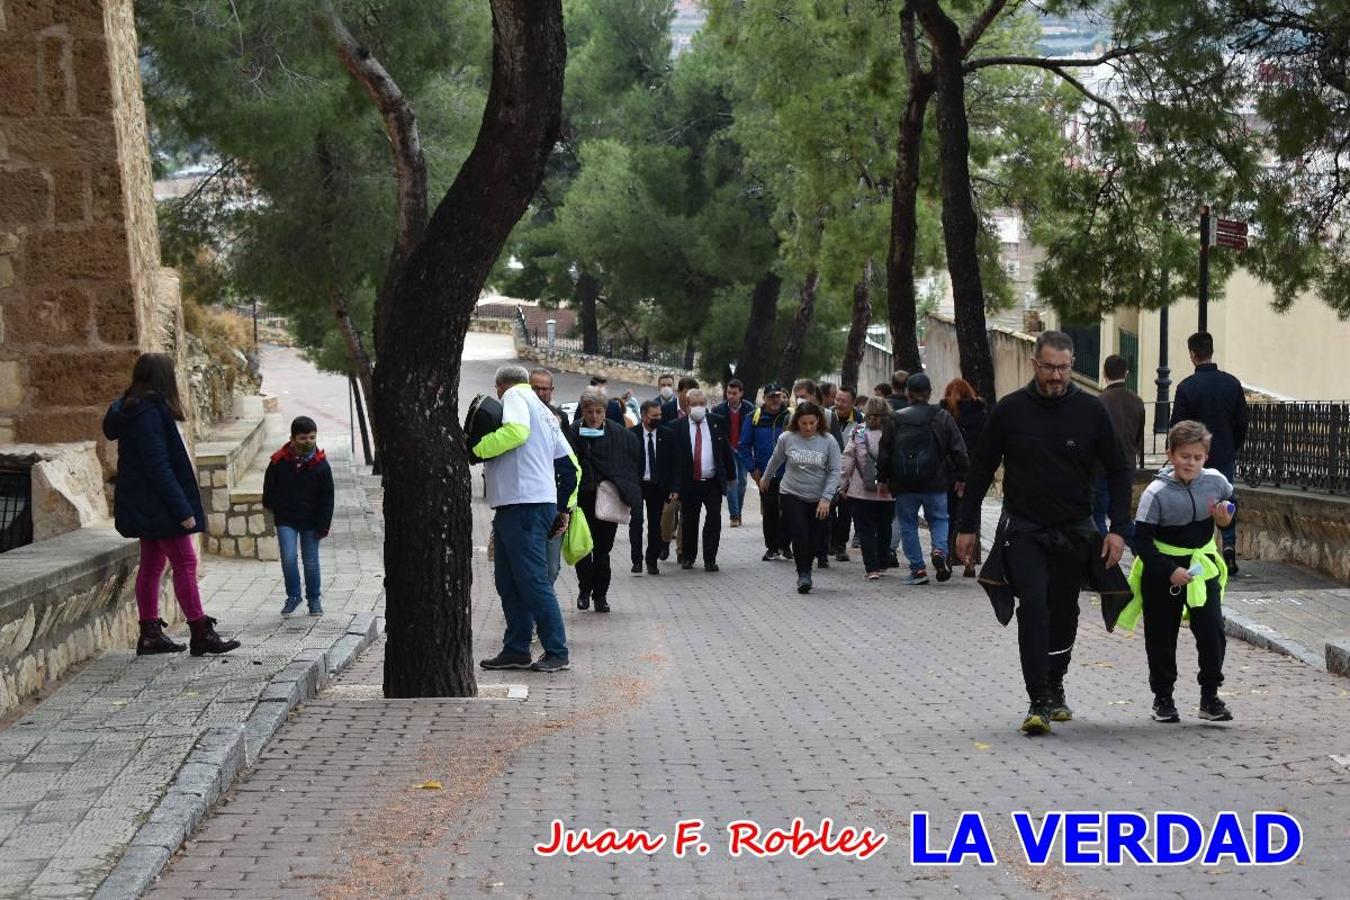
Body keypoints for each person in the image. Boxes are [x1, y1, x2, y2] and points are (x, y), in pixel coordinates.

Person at [955, 331, 1131, 736]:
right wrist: (966, 527)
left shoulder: (1091, 411)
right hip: (1025, 528)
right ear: (1035, 364)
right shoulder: (1010, 411)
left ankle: (1055, 683)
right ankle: (1038, 699)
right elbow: (980, 469)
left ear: (1072, 366)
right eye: (1049, 367)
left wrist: (1119, 530)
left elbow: (1119, 471)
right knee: (1033, 606)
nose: (1056, 376)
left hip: (1074, 529)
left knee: (1065, 610)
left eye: (1064, 368)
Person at [102, 353, 240, 657]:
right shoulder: (149, 413)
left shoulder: (132, 409)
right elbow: (158, 466)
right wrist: (183, 511)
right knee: (186, 563)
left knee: (152, 564)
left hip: (146, 503)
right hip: (160, 506)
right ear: (165, 377)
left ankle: (150, 634)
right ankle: (200, 632)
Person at [1125, 420, 1237, 724]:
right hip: (1163, 569)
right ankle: (1163, 698)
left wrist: (1225, 519)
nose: (1191, 463)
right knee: (1162, 636)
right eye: (1185, 456)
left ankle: (1210, 697)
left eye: (1197, 458)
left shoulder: (1215, 481)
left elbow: (1230, 507)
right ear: (1170, 454)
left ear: (1206, 457)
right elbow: (1141, 542)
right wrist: (1169, 570)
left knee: (1212, 630)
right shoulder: (1156, 493)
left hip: (1202, 565)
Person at [474, 364, 577, 672]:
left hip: (524, 505)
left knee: (532, 582)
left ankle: (557, 651)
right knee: (509, 582)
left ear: (499, 387)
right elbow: (568, 461)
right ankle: (516, 648)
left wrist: (477, 449)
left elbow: (516, 433)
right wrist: (561, 507)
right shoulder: (546, 413)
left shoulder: (517, 396)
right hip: (523, 505)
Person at [879, 374, 968, 586]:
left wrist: (882, 479)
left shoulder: (895, 419)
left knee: (907, 524)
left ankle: (918, 569)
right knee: (939, 519)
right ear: (929, 393)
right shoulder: (942, 416)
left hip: (904, 483)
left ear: (908, 393)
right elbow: (958, 449)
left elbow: (885, 452)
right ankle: (939, 549)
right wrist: (962, 476)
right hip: (935, 480)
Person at [1170, 332, 1248, 573]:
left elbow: (1178, 426)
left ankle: (1200, 549)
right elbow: (1242, 421)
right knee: (1226, 498)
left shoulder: (1186, 387)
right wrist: (1232, 445)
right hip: (1223, 451)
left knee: (1195, 500)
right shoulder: (1232, 384)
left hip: (1195, 455)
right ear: (1211, 351)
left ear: (1193, 355)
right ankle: (1229, 545)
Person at [572, 390, 642, 612]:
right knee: (583, 548)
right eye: (589, 412)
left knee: (603, 551)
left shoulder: (618, 435)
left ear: (605, 412)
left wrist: (623, 485)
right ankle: (584, 590)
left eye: (598, 411)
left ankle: (600, 596)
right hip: (582, 500)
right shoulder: (572, 432)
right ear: (582, 411)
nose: (594, 416)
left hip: (608, 499)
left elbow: (630, 461)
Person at [763, 401, 842, 594]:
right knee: (799, 531)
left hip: (819, 497)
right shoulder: (787, 438)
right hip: (792, 493)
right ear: (796, 421)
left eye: (812, 423)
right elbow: (776, 460)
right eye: (804, 423)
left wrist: (826, 498)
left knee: (814, 536)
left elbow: (834, 471)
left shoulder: (828, 440)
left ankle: (808, 565)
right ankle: (803, 574)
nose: (807, 427)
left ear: (818, 422)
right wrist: (765, 478)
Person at [263, 416, 335, 616]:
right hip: (286, 519)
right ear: (292, 438)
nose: (308, 442)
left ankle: (314, 599)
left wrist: (324, 524)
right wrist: (274, 507)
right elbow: (269, 488)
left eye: (312, 437)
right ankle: (293, 595)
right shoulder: (279, 461)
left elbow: (328, 497)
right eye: (303, 438)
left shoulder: (321, 465)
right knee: (288, 557)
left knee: (311, 561)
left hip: (311, 522)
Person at [666, 389, 735, 571]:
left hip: (712, 481)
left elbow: (725, 450)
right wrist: (674, 485)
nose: (698, 408)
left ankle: (710, 559)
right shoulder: (676, 427)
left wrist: (731, 475)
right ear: (687, 406)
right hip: (689, 482)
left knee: (714, 518)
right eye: (694, 404)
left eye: (701, 404)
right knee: (689, 520)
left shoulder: (716, 423)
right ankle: (688, 556)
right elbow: (673, 460)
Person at [529, 368, 577, 583]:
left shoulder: (559, 418)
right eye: (535, 388)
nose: (540, 393)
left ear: (552, 390)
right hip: (526, 501)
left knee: (552, 568)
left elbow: (568, 463)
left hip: (553, 502)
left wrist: (564, 507)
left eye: (544, 389)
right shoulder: (516, 417)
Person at [1093, 355, 1145, 549]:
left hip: (1102, 467)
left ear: (1104, 374)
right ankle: (1142, 550)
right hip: (1126, 466)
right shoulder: (1137, 402)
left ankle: (1103, 551)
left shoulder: (1099, 402)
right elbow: (1138, 436)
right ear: (1127, 374)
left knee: (1097, 514)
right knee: (1121, 518)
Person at [839, 397, 894, 579]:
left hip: (861, 491)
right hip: (888, 492)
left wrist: (843, 483)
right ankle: (883, 562)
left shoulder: (858, 431)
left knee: (865, 529)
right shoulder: (894, 431)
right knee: (885, 527)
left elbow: (848, 459)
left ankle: (871, 569)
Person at [941, 378, 989, 577]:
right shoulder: (981, 414)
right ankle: (970, 562)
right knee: (971, 515)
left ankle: (948, 558)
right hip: (974, 471)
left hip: (948, 471)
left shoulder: (943, 415)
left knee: (948, 516)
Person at [740, 383, 792, 561]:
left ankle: (786, 546)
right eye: (771, 397)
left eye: (778, 396)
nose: (775, 400)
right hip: (765, 475)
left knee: (788, 512)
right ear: (765, 399)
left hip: (789, 474)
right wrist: (753, 470)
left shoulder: (790, 417)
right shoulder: (753, 418)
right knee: (770, 511)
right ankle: (772, 547)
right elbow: (744, 446)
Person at [629, 400, 673, 575]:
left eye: (660, 415)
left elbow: (674, 463)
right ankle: (636, 560)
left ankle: (651, 560)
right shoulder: (631, 435)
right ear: (644, 416)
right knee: (637, 522)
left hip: (657, 485)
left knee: (656, 525)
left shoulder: (667, 434)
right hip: (637, 485)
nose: (658, 418)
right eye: (654, 416)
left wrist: (673, 487)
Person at [827, 387, 863, 561]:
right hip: (828, 471)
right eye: (837, 399)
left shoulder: (859, 420)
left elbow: (863, 447)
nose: (839, 404)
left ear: (852, 403)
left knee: (846, 510)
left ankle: (840, 545)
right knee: (828, 507)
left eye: (844, 401)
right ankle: (830, 541)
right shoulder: (826, 416)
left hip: (850, 473)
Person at [713, 379, 755, 528]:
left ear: (741, 393)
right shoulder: (719, 410)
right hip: (728, 449)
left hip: (744, 450)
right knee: (732, 481)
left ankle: (739, 511)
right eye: (729, 393)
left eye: (734, 393)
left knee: (742, 483)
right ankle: (734, 516)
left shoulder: (750, 409)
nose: (731, 396)